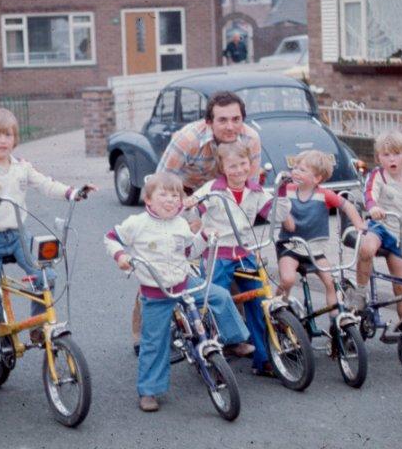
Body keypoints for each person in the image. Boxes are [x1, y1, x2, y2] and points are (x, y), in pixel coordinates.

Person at [0, 107, 95, 406]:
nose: (2, 141)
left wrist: (73, 192)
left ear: (15, 139)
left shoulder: (21, 166)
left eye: (7, 135)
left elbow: (46, 184)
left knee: (47, 276)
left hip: (18, 235)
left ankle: (35, 327)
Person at [120, 91, 262, 355]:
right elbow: (160, 183)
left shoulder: (250, 139)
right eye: (222, 120)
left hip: (222, 193)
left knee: (228, 257)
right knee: (164, 263)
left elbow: (249, 185)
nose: (230, 126)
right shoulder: (188, 139)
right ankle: (142, 332)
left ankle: (225, 330)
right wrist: (191, 219)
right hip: (181, 194)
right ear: (209, 122)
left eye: (236, 119)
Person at [104, 172, 251, 412]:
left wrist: (204, 236)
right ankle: (149, 390)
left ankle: (234, 340)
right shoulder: (137, 223)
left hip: (184, 282)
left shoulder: (181, 223)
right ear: (149, 200)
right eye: (164, 194)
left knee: (220, 296)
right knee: (154, 342)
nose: (171, 200)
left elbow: (190, 252)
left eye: (175, 195)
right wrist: (121, 255)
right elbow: (111, 238)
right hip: (156, 291)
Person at [187, 142, 292, 376]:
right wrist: (194, 217)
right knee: (213, 303)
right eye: (232, 166)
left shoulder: (255, 191)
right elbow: (191, 207)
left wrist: (282, 192)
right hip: (218, 253)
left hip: (244, 253)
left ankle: (264, 357)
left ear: (250, 164)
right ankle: (212, 356)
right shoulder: (212, 189)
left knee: (260, 301)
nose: (238, 170)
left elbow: (280, 214)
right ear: (223, 168)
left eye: (243, 164)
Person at [346, 131, 402, 329]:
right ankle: (360, 292)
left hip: (401, 235)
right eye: (386, 155)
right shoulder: (378, 176)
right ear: (379, 158)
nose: (392, 159)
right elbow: (369, 194)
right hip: (381, 227)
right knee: (367, 248)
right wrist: (374, 207)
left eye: (396, 154)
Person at [275, 150, 366, 318]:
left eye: (302, 170)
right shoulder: (286, 190)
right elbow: (274, 203)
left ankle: (335, 319)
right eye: (294, 168)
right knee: (287, 279)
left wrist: (359, 225)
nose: (295, 172)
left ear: (317, 179)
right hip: (290, 246)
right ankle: (277, 307)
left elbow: (347, 206)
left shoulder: (324, 195)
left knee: (331, 281)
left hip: (315, 249)